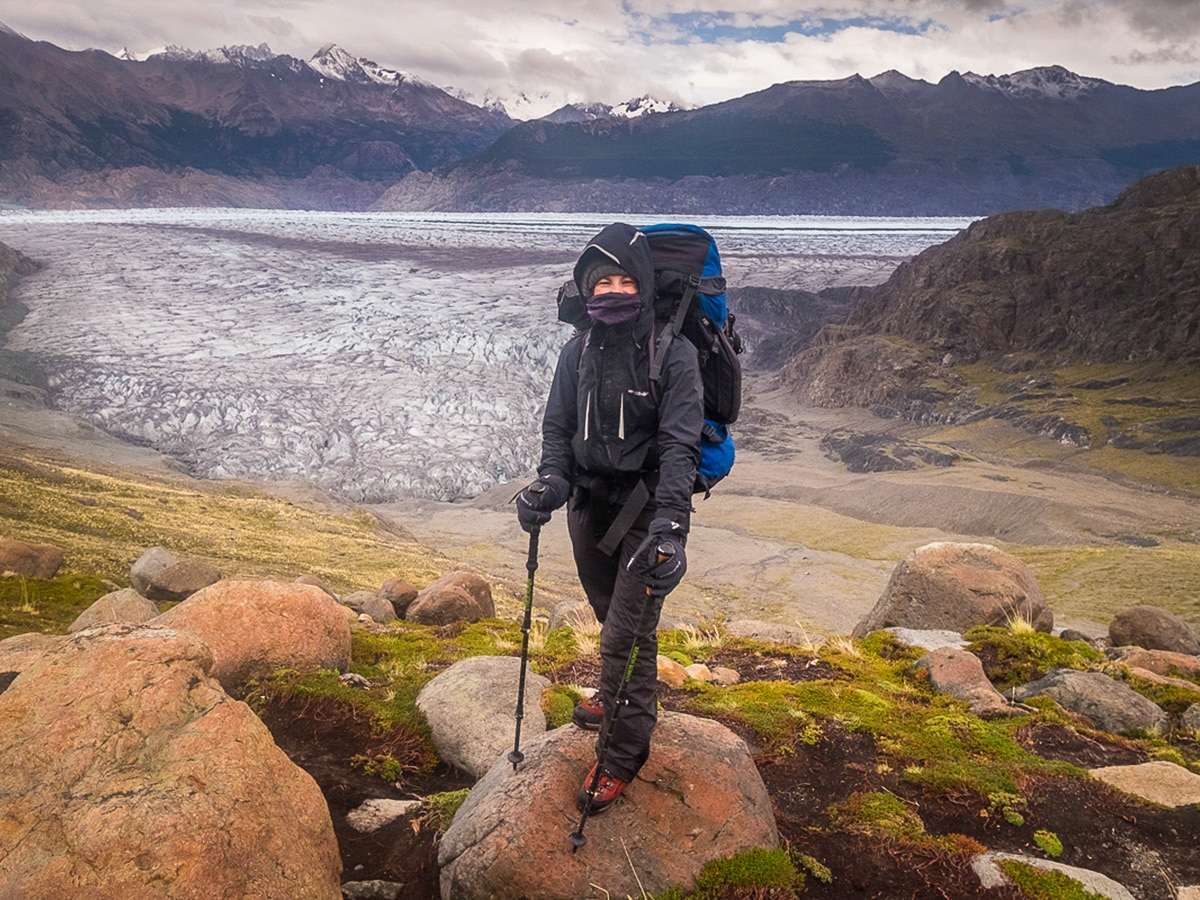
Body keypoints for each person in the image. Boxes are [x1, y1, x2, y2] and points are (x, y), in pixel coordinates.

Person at [515, 222, 703, 813]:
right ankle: (613, 693)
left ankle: (620, 758)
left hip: (648, 511)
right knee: (608, 617)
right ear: (586, 288)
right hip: (590, 508)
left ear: (643, 285)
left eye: (626, 279)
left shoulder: (674, 355)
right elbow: (558, 430)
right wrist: (551, 482)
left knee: (628, 634)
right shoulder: (579, 352)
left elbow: (680, 447)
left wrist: (672, 524)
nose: (615, 290)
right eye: (603, 281)